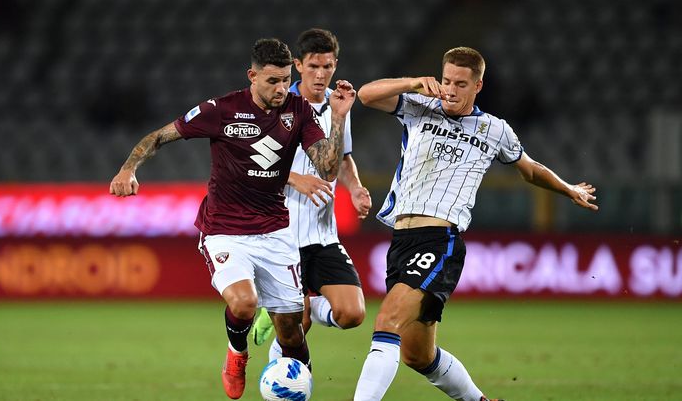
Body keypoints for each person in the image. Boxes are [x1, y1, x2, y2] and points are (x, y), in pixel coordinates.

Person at [109, 38, 356, 400]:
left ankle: (298, 389)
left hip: (275, 231)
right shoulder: (221, 109)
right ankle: (237, 354)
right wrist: (128, 168)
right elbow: (160, 137)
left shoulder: (299, 110)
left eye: (285, 80)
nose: (280, 89)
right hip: (224, 229)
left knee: (290, 331)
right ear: (252, 76)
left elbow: (328, 167)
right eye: (272, 81)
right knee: (244, 303)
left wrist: (337, 117)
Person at [352, 47, 598, 401]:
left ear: (478, 86)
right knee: (417, 355)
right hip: (401, 241)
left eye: (461, 84)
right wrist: (413, 83)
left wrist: (567, 188)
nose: (451, 90)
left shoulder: (494, 130)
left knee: (387, 320)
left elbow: (530, 169)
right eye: (447, 80)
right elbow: (366, 95)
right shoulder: (420, 107)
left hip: (439, 241)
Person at [250, 28, 371, 358]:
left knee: (352, 314)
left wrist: (356, 187)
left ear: (335, 65)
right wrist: (294, 178)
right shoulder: (276, 104)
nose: (321, 75)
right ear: (298, 65)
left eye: (328, 67)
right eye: (314, 66)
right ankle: (287, 375)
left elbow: (342, 157)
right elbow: (251, 163)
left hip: (322, 235)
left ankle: (304, 304)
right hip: (280, 235)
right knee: (297, 327)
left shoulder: (338, 104)